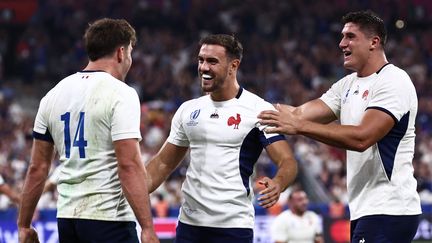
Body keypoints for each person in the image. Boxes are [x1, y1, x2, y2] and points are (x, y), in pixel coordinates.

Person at [258, 10, 421, 243]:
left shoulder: (394, 81)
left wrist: (299, 126)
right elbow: (298, 112)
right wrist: (246, 109)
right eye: (342, 36)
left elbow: (362, 138)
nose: (341, 42)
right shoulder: (347, 85)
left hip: (390, 207)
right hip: (366, 208)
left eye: (350, 36)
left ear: (374, 42)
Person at [145, 34, 298, 243]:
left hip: (233, 226)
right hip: (189, 226)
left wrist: (279, 183)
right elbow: (163, 163)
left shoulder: (258, 109)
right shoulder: (189, 110)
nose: (203, 67)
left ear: (233, 66)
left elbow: (287, 161)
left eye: (212, 61)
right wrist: (130, 192)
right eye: (201, 60)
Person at [17, 18, 159, 243]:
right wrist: (148, 228)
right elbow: (128, 164)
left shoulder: (52, 95)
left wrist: (24, 225)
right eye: (131, 52)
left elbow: (37, 168)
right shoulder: (122, 93)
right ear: (121, 53)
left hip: (67, 219)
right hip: (108, 218)